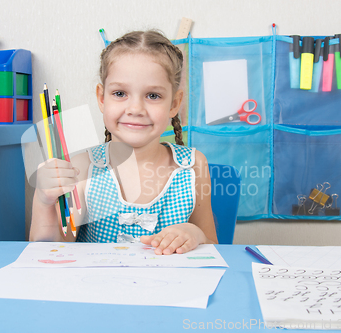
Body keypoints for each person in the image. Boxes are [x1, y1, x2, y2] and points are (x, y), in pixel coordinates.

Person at [29, 30, 217, 254]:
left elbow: (214, 247)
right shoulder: (81, 169)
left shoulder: (194, 166)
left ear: (174, 104)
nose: (135, 109)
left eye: (153, 96)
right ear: (102, 98)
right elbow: (51, 250)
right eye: (120, 93)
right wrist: (43, 201)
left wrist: (196, 235)